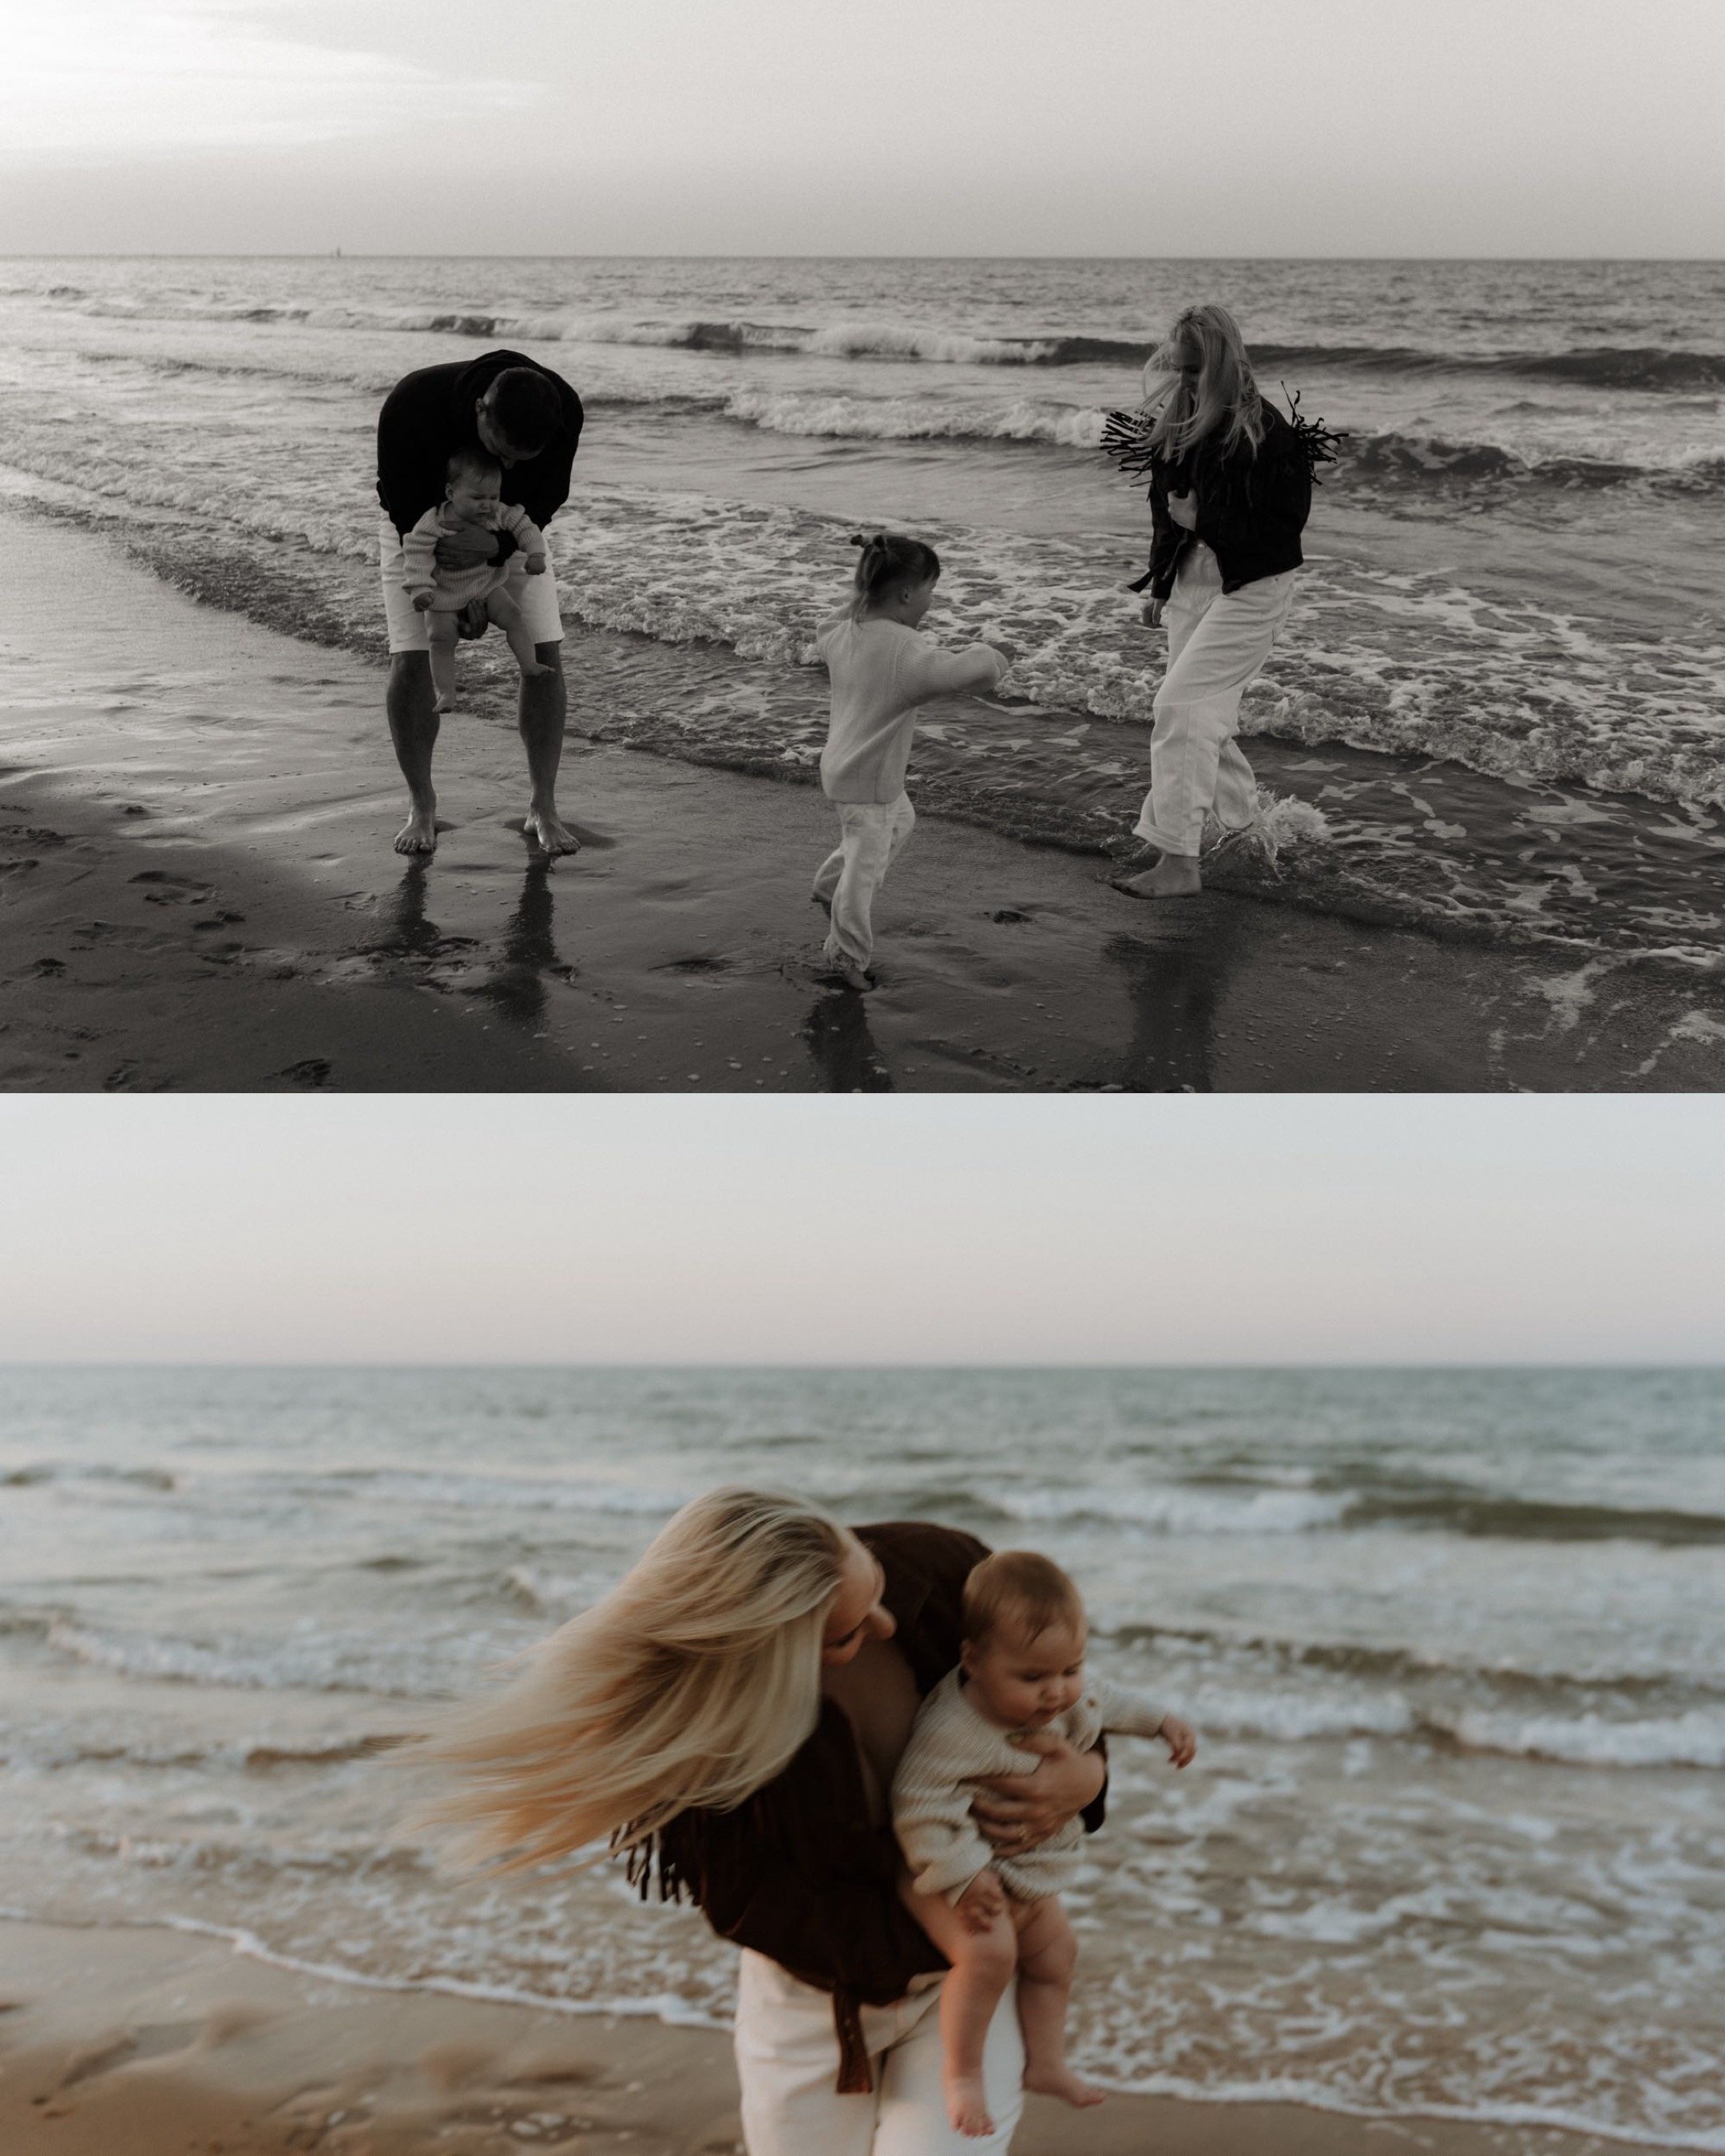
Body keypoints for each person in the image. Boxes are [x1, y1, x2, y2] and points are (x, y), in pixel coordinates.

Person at [410, 1488, 1113, 2155]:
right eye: (846, 1634)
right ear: (768, 1658)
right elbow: (760, 1907)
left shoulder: (943, 1568)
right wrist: (960, 1934)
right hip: (814, 2007)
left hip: (966, 1996)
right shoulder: (701, 1753)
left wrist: (1087, 1778)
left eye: (872, 1583)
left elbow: (1064, 1681)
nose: (884, 1624)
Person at [892, 1550, 1196, 2138]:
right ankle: (963, 2074)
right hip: (966, 1878)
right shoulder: (953, 1730)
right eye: (1033, 1678)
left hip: (1028, 1875)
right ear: (973, 1660)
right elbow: (916, 1806)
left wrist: (1162, 1722)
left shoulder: (1068, 1692)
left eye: (1070, 1668)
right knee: (988, 1956)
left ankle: (1047, 2063)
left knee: (1057, 1956)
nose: (1057, 1692)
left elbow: (1108, 1699)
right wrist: (964, 1873)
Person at [1111, 303, 1314, 900]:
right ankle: (1247, 828)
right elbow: (1166, 511)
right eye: (1178, 368)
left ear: (1225, 361)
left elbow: (1282, 538)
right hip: (1192, 581)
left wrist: (1206, 520)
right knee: (1203, 720)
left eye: (1196, 369)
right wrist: (1162, 581)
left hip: (1253, 587)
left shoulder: (1268, 434)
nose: (1185, 380)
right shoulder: (1179, 422)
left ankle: (1179, 860)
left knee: (1180, 707)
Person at [376, 347, 584, 857]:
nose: (507, 465)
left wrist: (494, 556)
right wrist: (451, 593)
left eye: (520, 460)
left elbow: (547, 497)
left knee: (544, 650)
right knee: (411, 656)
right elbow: (404, 508)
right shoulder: (411, 405)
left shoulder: (564, 411)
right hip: (421, 533)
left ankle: (543, 807)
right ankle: (422, 806)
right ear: (480, 411)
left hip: (510, 528)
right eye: (501, 451)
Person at [814, 534, 1012, 990]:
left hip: (843, 768)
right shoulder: (905, 650)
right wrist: (996, 656)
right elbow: (965, 673)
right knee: (865, 871)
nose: (931, 600)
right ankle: (846, 957)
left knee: (900, 821)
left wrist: (864, 596)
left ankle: (827, 886)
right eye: (930, 590)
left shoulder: (840, 633)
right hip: (870, 781)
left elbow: (829, 622)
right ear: (906, 594)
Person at [402, 446, 549, 713]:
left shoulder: (497, 513)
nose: (487, 504)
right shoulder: (434, 521)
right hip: (444, 592)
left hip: (485, 585)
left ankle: (528, 664)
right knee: (440, 638)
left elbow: (524, 525)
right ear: (451, 493)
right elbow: (416, 552)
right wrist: (420, 588)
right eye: (478, 497)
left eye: (494, 496)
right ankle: (446, 692)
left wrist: (536, 553)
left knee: (513, 615)